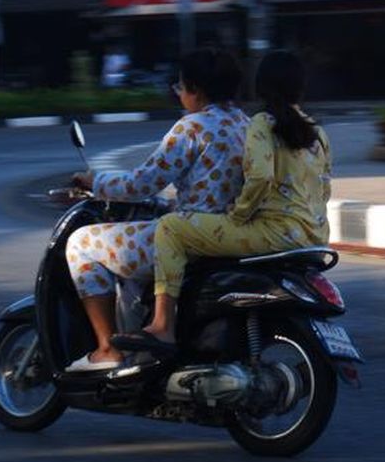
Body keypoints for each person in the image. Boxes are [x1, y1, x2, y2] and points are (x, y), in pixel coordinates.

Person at [115, 50, 332, 354]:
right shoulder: (317, 133)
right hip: (314, 237)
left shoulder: (262, 125)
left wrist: (239, 214)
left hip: (273, 234)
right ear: (301, 87)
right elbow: (324, 188)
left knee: (170, 228)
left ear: (261, 86)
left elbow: (259, 178)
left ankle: (163, 326)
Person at [65, 48, 249, 371]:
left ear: (196, 90)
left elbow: (142, 182)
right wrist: (164, 204)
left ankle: (108, 349)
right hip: (226, 235)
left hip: (187, 239)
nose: (179, 95)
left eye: (180, 87)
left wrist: (96, 182)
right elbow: (208, 192)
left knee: (81, 243)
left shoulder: (192, 127)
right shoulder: (245, 124)